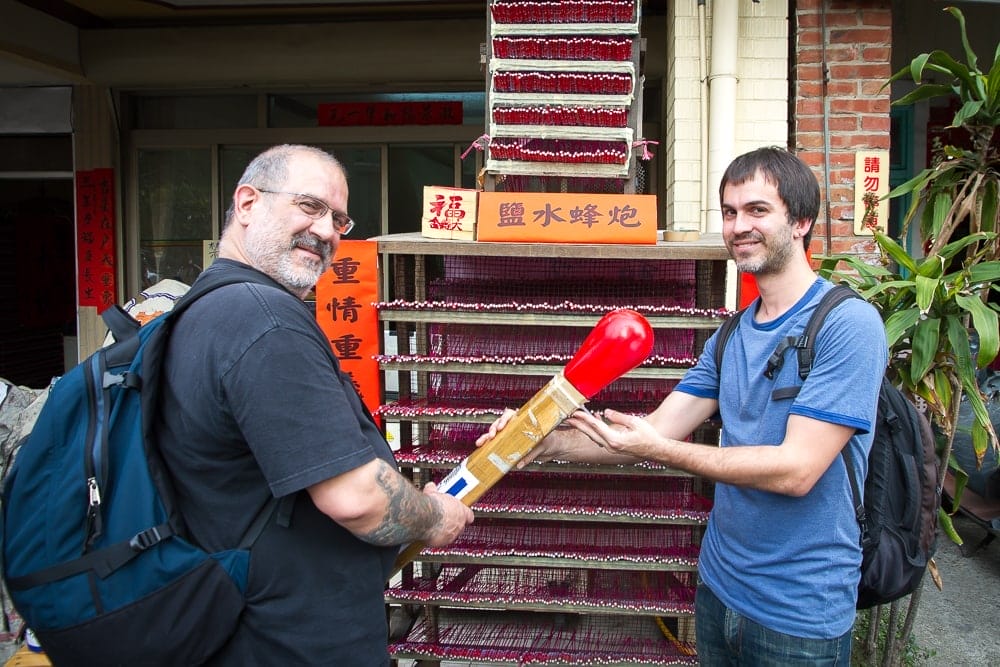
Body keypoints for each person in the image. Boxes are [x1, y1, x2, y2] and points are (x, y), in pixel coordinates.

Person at [478, 146, 887, 664]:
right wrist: (543, 441)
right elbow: (653, 429)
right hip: (718, 588)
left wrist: (661, 450)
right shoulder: (730, 337)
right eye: (730, 212)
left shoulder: (848, 325)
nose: (740, 226)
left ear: (801, 221)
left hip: (800, 611)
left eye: (758, 210)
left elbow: (797, 470)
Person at [155, 144, 474, 665]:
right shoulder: (265, 323)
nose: (326, 231)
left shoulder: (207, 306)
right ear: (248, 202)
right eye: (309, 206)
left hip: (239, 619)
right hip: (285, 638)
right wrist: (433, 516)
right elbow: (357, 499)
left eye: (339, 220)